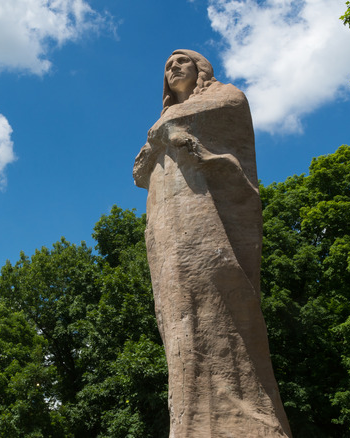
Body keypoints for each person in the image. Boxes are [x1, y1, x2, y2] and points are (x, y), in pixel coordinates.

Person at [134, 50, 292, 437]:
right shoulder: (168, 118)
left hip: (210, 224)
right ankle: (191, 421)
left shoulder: (225, 97)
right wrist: (161, 138)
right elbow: (139, 171)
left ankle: (240, 421)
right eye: (167, 66)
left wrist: (165, 135)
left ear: (201, 68)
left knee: (217, 306)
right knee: (178, 320)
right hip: (170, 227)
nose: (172, 69)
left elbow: (173, 128)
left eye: (181, 62)